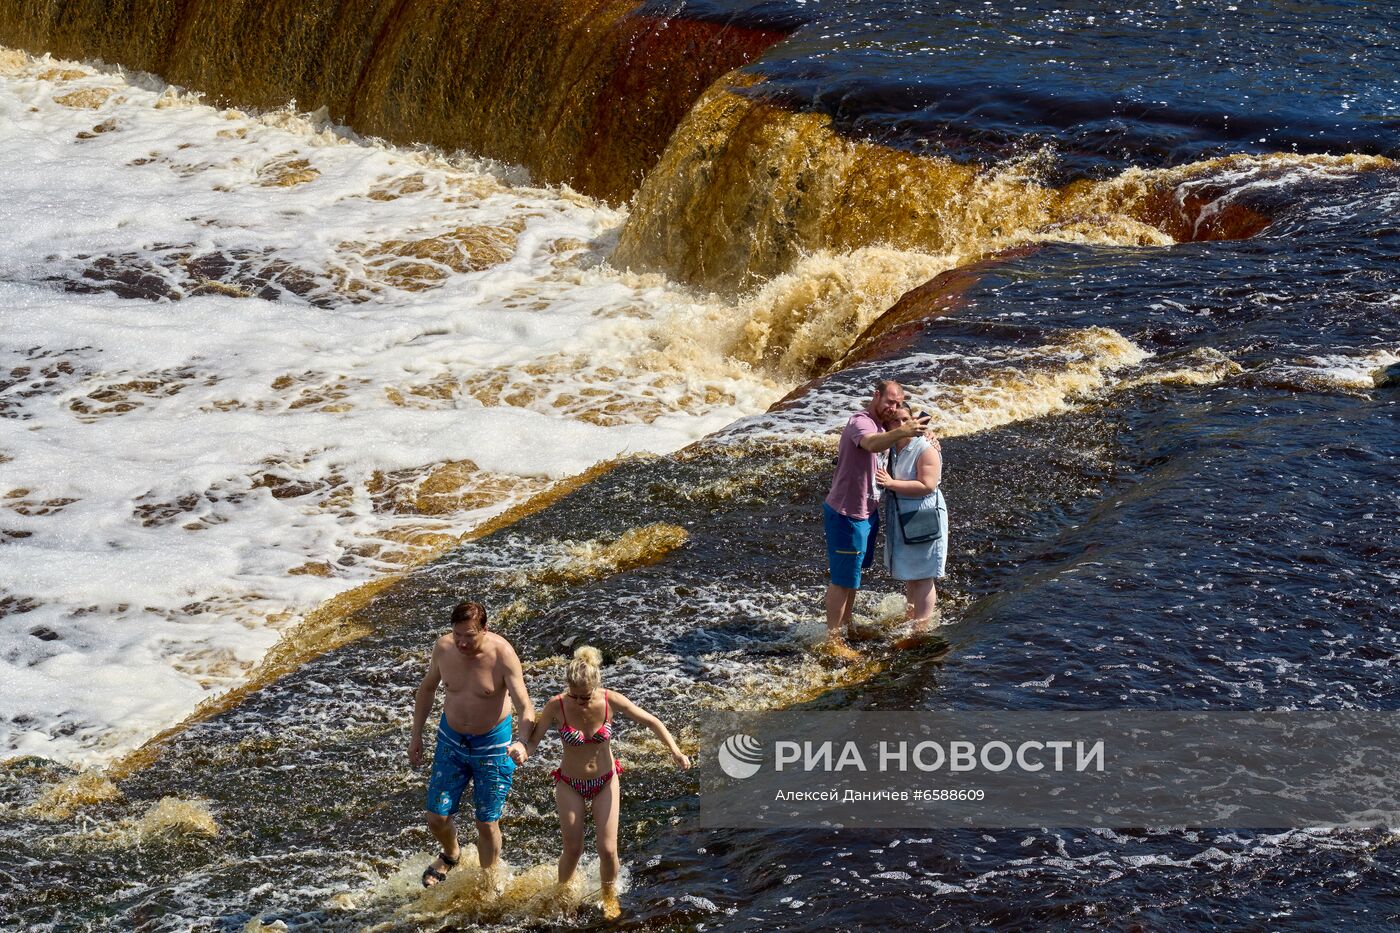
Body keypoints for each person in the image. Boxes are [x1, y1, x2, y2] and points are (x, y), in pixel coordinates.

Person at [523, 645, 690, 919]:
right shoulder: (557, 705)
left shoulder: (610, 700)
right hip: (569, 783)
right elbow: (533, 743)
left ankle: (609, 896)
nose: (580, 702)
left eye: (585, 696)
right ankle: (562, 892)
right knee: (573, 849)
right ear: (567, 688)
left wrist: (675, 751)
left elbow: (651, 721)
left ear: (596, 685)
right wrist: (521, 753)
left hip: (605, 781)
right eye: (575, 696)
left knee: (608, 848)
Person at [409, 600, 536, 888]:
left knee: (486, 822)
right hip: (451, 741)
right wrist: (416, 735)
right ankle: (452, 854)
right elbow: (427, 689)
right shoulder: (443, 648)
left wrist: (523, 742)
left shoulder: (502, 654)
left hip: (493, 747)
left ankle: (488, 879)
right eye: (458, 635)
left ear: (484, 629)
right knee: (436, 817)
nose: (462, 643)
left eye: (469, 636)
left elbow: (525, 706)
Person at [823, 379, 931, 657]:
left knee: (854, 576)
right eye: (889, 401)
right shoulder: (861, 422)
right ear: (876, 396)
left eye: (897, 404)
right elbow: (871, 444)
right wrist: (901, 431)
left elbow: (905, 440)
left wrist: (929, 438)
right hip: (847, 512)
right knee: (842, 579)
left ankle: (846, 625)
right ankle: (832, 640)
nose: (893, 408)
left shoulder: (887, 426)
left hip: (867, 513)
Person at [875, 405, 948, 644]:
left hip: (923, 514)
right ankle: (911, 617)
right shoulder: (891, 446)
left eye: (905, 419)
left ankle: (921, 627)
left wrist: (891, 483)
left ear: (914, 421)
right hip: (901, 514)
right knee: (910, 573)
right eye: (895, 421)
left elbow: (927, 485)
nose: (900, 424)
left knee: (924, 573)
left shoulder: (925, 448)